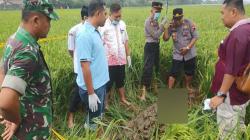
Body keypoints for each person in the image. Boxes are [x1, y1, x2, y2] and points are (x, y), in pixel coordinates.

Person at [0, 0, 59, 139]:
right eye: (48, 20)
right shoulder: (27, 51)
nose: (50, 25)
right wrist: (15, 119)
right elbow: (6, 102)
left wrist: (9, 115)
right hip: (32, 130)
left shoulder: (14, 39)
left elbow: (2, 71)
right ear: (36, 20)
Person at [209, 0, 250, 139]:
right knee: (238, 121)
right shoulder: (247, 29)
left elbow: (231, 70)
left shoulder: (238, 34)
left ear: (233, 12)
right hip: (241, 92)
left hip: (230, 95)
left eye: (223, 13)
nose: (221, 16)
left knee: (227, 131)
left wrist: (221, 95)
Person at [75, 0, 108, 131]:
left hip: (99, 84)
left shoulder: (94, 31)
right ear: (98, 13)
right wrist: (91, 93)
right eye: (105, 13)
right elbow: (84, 66)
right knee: (94, 120)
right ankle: (92, 133)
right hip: (93, 88)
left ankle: (93, 127)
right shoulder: (85, 34)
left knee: (97, 115)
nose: (106, 17)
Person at [99, 3, 131, 108]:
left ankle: (123, 99)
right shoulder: (104, 26)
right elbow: (99, 43)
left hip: (121, 59)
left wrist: (128, 56)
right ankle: (106, 102)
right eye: (116, 16)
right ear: (110, 14)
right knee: (108, 82)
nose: (118, 18)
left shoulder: (122, 24)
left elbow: (125, 41)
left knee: (121, 80)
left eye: (120, 16)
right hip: (109, 60)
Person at [163, 8, 198, 96]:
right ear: (173, 18)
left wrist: (187, 48)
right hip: (177, 54)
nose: (178, 21)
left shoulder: (189, 23)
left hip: (189, 53)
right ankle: (169, 91)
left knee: (189, 71)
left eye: (179, 19)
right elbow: (165, 38)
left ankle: (187, 87)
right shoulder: (171, 25)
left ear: (182, 16)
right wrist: (166, 27)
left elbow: (195, 37)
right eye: (176, 19)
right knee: (173, 72)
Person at [140, 1, 168, 101]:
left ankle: (155, 88)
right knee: (147, 68)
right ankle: (143, 93)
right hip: (150, 46)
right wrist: (162, 25)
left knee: (156, 67)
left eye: (160, 11)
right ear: (151, 10)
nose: (158, 13)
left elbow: (159, 35)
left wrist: (162, 25)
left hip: (156, 45)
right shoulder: (148, 21)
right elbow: (156, 35)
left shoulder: (156, 21)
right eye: (157, 10)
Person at [67, 5, 88, 129]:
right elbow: (71, 50)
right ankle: (70, 115)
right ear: (85, 17)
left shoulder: (93, 29)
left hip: (91, 67)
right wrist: (76, 59)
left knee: (89, 91)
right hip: (79, 68)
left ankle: (87, 115)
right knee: (77, 92)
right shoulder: (73, 31)